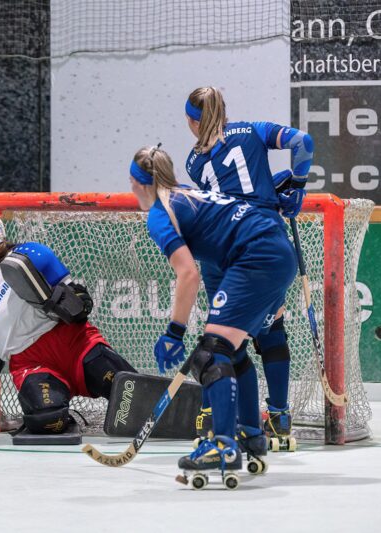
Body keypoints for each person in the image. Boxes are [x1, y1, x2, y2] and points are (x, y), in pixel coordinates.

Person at [130, 145, 297, 479]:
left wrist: (174, 332)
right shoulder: (191, 194)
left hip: (257, 257)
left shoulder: (161, 214)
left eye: (132, 182)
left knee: (210, 355)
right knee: (231, 352)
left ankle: (223, 444)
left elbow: (188, 273)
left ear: (140, 184)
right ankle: (250, 434)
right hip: (275, 250)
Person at [183, 87, 313, 449]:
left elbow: (227, 197)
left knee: (223, 340)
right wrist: (295, 186)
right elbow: (303, 141)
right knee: (271, 332)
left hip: (218, 249)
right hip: (260, 240)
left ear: (191, 122)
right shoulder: (253, 130)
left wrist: (269, 190)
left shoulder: (194, 161)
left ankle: (219, 423)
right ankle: (279, 417)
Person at [0, 207, 137, 436]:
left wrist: (75, 302)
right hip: (31, 365)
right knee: (46, 420)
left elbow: (77, 298)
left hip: (76, 346)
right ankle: (58, 408)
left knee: (132, 394)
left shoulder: (30, 255)